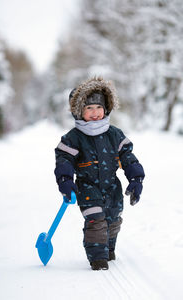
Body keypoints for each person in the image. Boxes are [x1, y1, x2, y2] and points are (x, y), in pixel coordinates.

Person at [54, 77, 145, 271]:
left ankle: (109, 249)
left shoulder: (115, 134)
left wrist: (136, 178)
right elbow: (64, 160)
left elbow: (128, 157)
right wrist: (65, 180)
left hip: (113, 186)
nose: (95, 113)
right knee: (96, 220)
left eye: (98, 107)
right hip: (87, 186)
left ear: (106, 109)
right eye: (89, 109)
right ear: (79, 111)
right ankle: (98, 258)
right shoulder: (73, 138)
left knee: (113, 219)